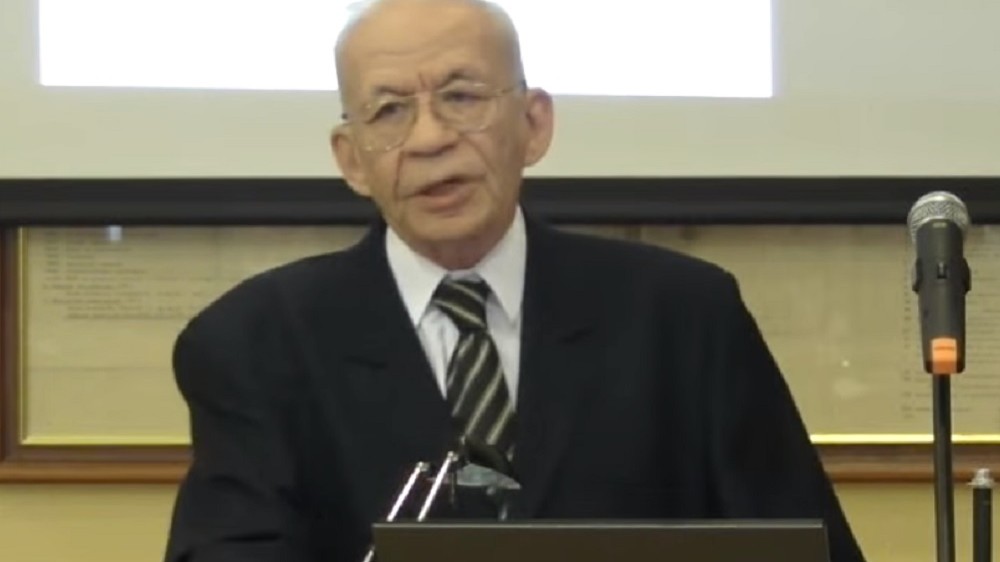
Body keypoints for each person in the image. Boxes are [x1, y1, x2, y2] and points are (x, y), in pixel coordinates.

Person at [163, 0, 867, 561]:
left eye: (462, 97)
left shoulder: (685, 316)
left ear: (533, 124)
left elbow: (805, 547)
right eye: (389, 111)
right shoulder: (253, 344)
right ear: (352, 160)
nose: (431, 138)